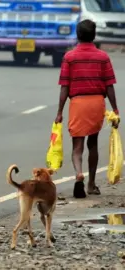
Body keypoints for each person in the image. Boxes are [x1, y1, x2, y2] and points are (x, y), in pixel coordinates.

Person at [55, 19, 119, 199]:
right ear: (94, 35)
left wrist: (60, 111)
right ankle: (91, 184)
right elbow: (109, 86)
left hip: (78, 103)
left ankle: (78, 174)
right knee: (93, 144)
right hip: (97, 103)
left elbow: (64, 87)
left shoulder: (69, 57)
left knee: (77, 146)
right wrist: (115, 109)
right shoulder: (103, 57)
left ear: (77, 34)